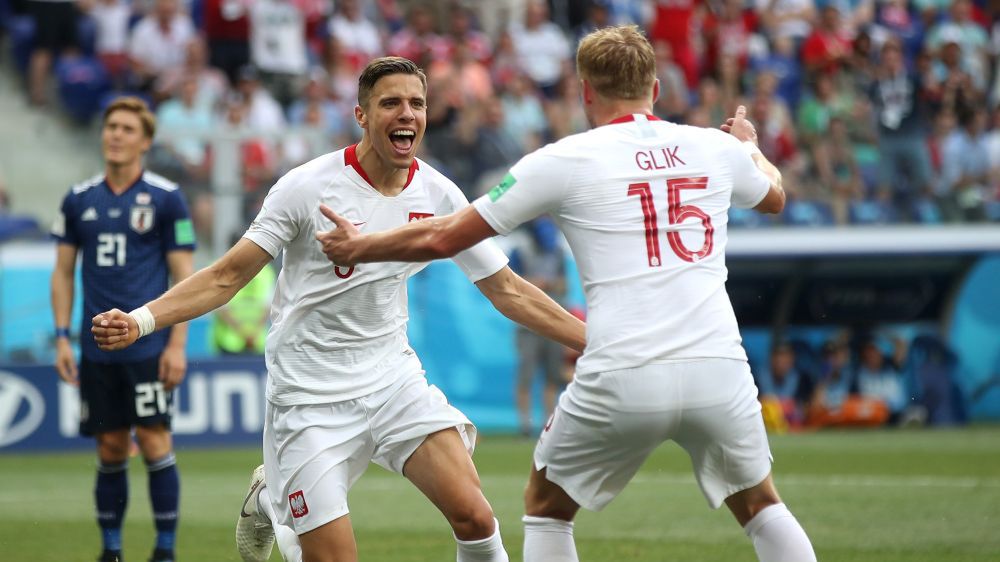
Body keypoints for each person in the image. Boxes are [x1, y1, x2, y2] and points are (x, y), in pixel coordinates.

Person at [316, 25, 817, 562]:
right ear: (656, 87)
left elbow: (445, 234)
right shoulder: (715, 147)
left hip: (624, 365)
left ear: (584, 91)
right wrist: (750, 147)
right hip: (718, 363)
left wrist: (361, 246)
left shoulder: (565, 159)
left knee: (547, 506)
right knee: (761, 504)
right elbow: (776, 197)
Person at [91, 57, 586, 562]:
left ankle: (279, 496)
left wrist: (593, 342)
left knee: (477, 519)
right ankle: (269, 498)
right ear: (362, 115)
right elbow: (227, 275)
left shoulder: (438, 194)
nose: (407, 113)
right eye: (390, 102)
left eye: (417, 103)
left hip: (392, 380)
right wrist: (140, 320)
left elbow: (507, 289)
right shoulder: (306, 187)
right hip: (308, 397)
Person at [50, 96, 196, 562]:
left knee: (154, 440)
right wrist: (61, 337)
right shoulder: (78, 199)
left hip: (148, 348)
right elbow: (62, 273)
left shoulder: (167, 197)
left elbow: (186, 279)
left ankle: (165, 551)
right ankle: (111, 551)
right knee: (111, 445)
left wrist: (176, 344)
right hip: (97, 352)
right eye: (111, 126)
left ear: (146, 141)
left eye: (127, 129)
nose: (115, 134)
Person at [508, 216, 569, 436]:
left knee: (553, 376)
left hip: (553, 321)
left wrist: (549, 283)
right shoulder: (520, 251)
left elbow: (564, 285)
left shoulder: (558, 252)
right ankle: (525, 425)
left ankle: (548, 424)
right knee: (526, 374)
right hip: (527, 324)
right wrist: (536, 283)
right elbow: (510, 283)